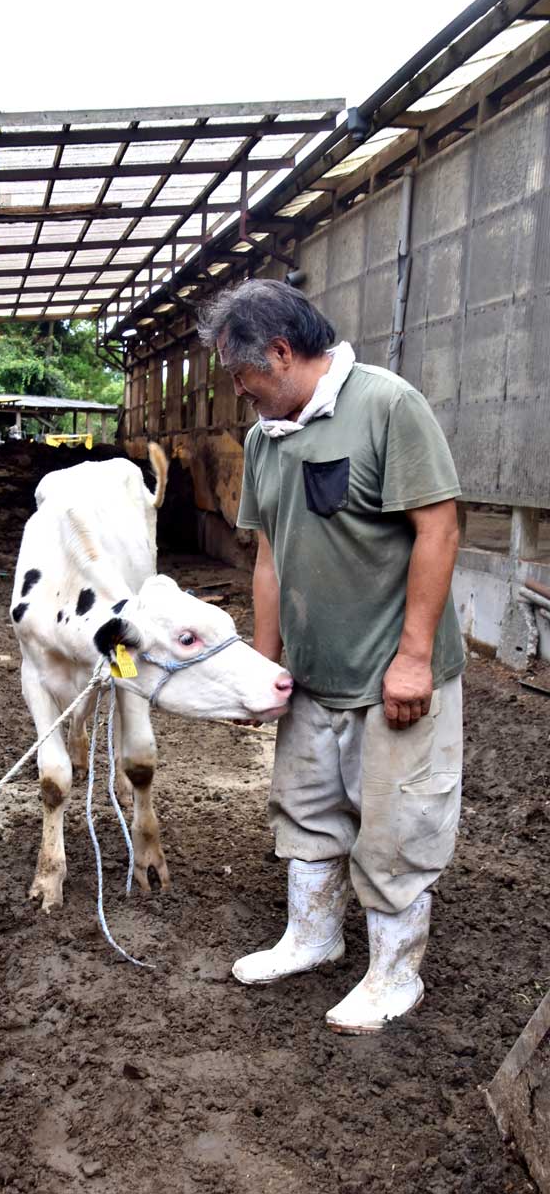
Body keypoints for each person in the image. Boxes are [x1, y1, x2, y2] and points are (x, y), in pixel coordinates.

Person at [198, 279, 465, 1035]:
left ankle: (393, 975)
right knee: (309, 809)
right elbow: (269, 559)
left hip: (391, 675)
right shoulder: (264, 439)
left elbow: (438, 531)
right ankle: (312, 936)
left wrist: (415, 655)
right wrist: (263, 666)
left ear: (280, 353)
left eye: (240, 373)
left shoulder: (387, 406)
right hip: (313, 674)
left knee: (397, 823)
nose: (238, 390)